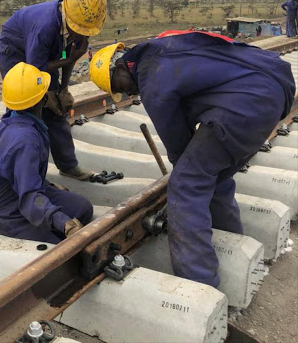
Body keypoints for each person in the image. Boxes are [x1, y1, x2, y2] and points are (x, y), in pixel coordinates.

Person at [90, 31, 296, 287]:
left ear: (119, 65)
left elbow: (175, 138)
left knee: (187, 185)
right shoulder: (161, 49)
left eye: (119, 86)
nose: (127, 92)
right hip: (271, 91)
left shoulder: (150, 72)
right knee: (216, 177)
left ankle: (199, 282)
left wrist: (183, 170)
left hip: (245, 102)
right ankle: (232, 245)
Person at [0, 0, 107, 181]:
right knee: (24, 106)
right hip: (17, 51)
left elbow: (68, 56)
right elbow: (34, 70)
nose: (82, 35)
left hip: (47, 56)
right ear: (68, 16)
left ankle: (68, 165)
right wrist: (67, 61)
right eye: (79, 31)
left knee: (57, 109)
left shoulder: (81, 27)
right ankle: (18, 169)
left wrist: (63, 89)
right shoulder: (45, 27)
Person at [0, 62, 93, 243]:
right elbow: (29, 197)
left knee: (83, 208)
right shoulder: (26, 140)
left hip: (23, 191)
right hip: (5, 211)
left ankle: (48, 226)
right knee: (57, 251)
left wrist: (45, 185)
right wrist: (64, 224)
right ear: (43, 99)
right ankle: (50, 232)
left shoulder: (13, 120)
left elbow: (19, 172)